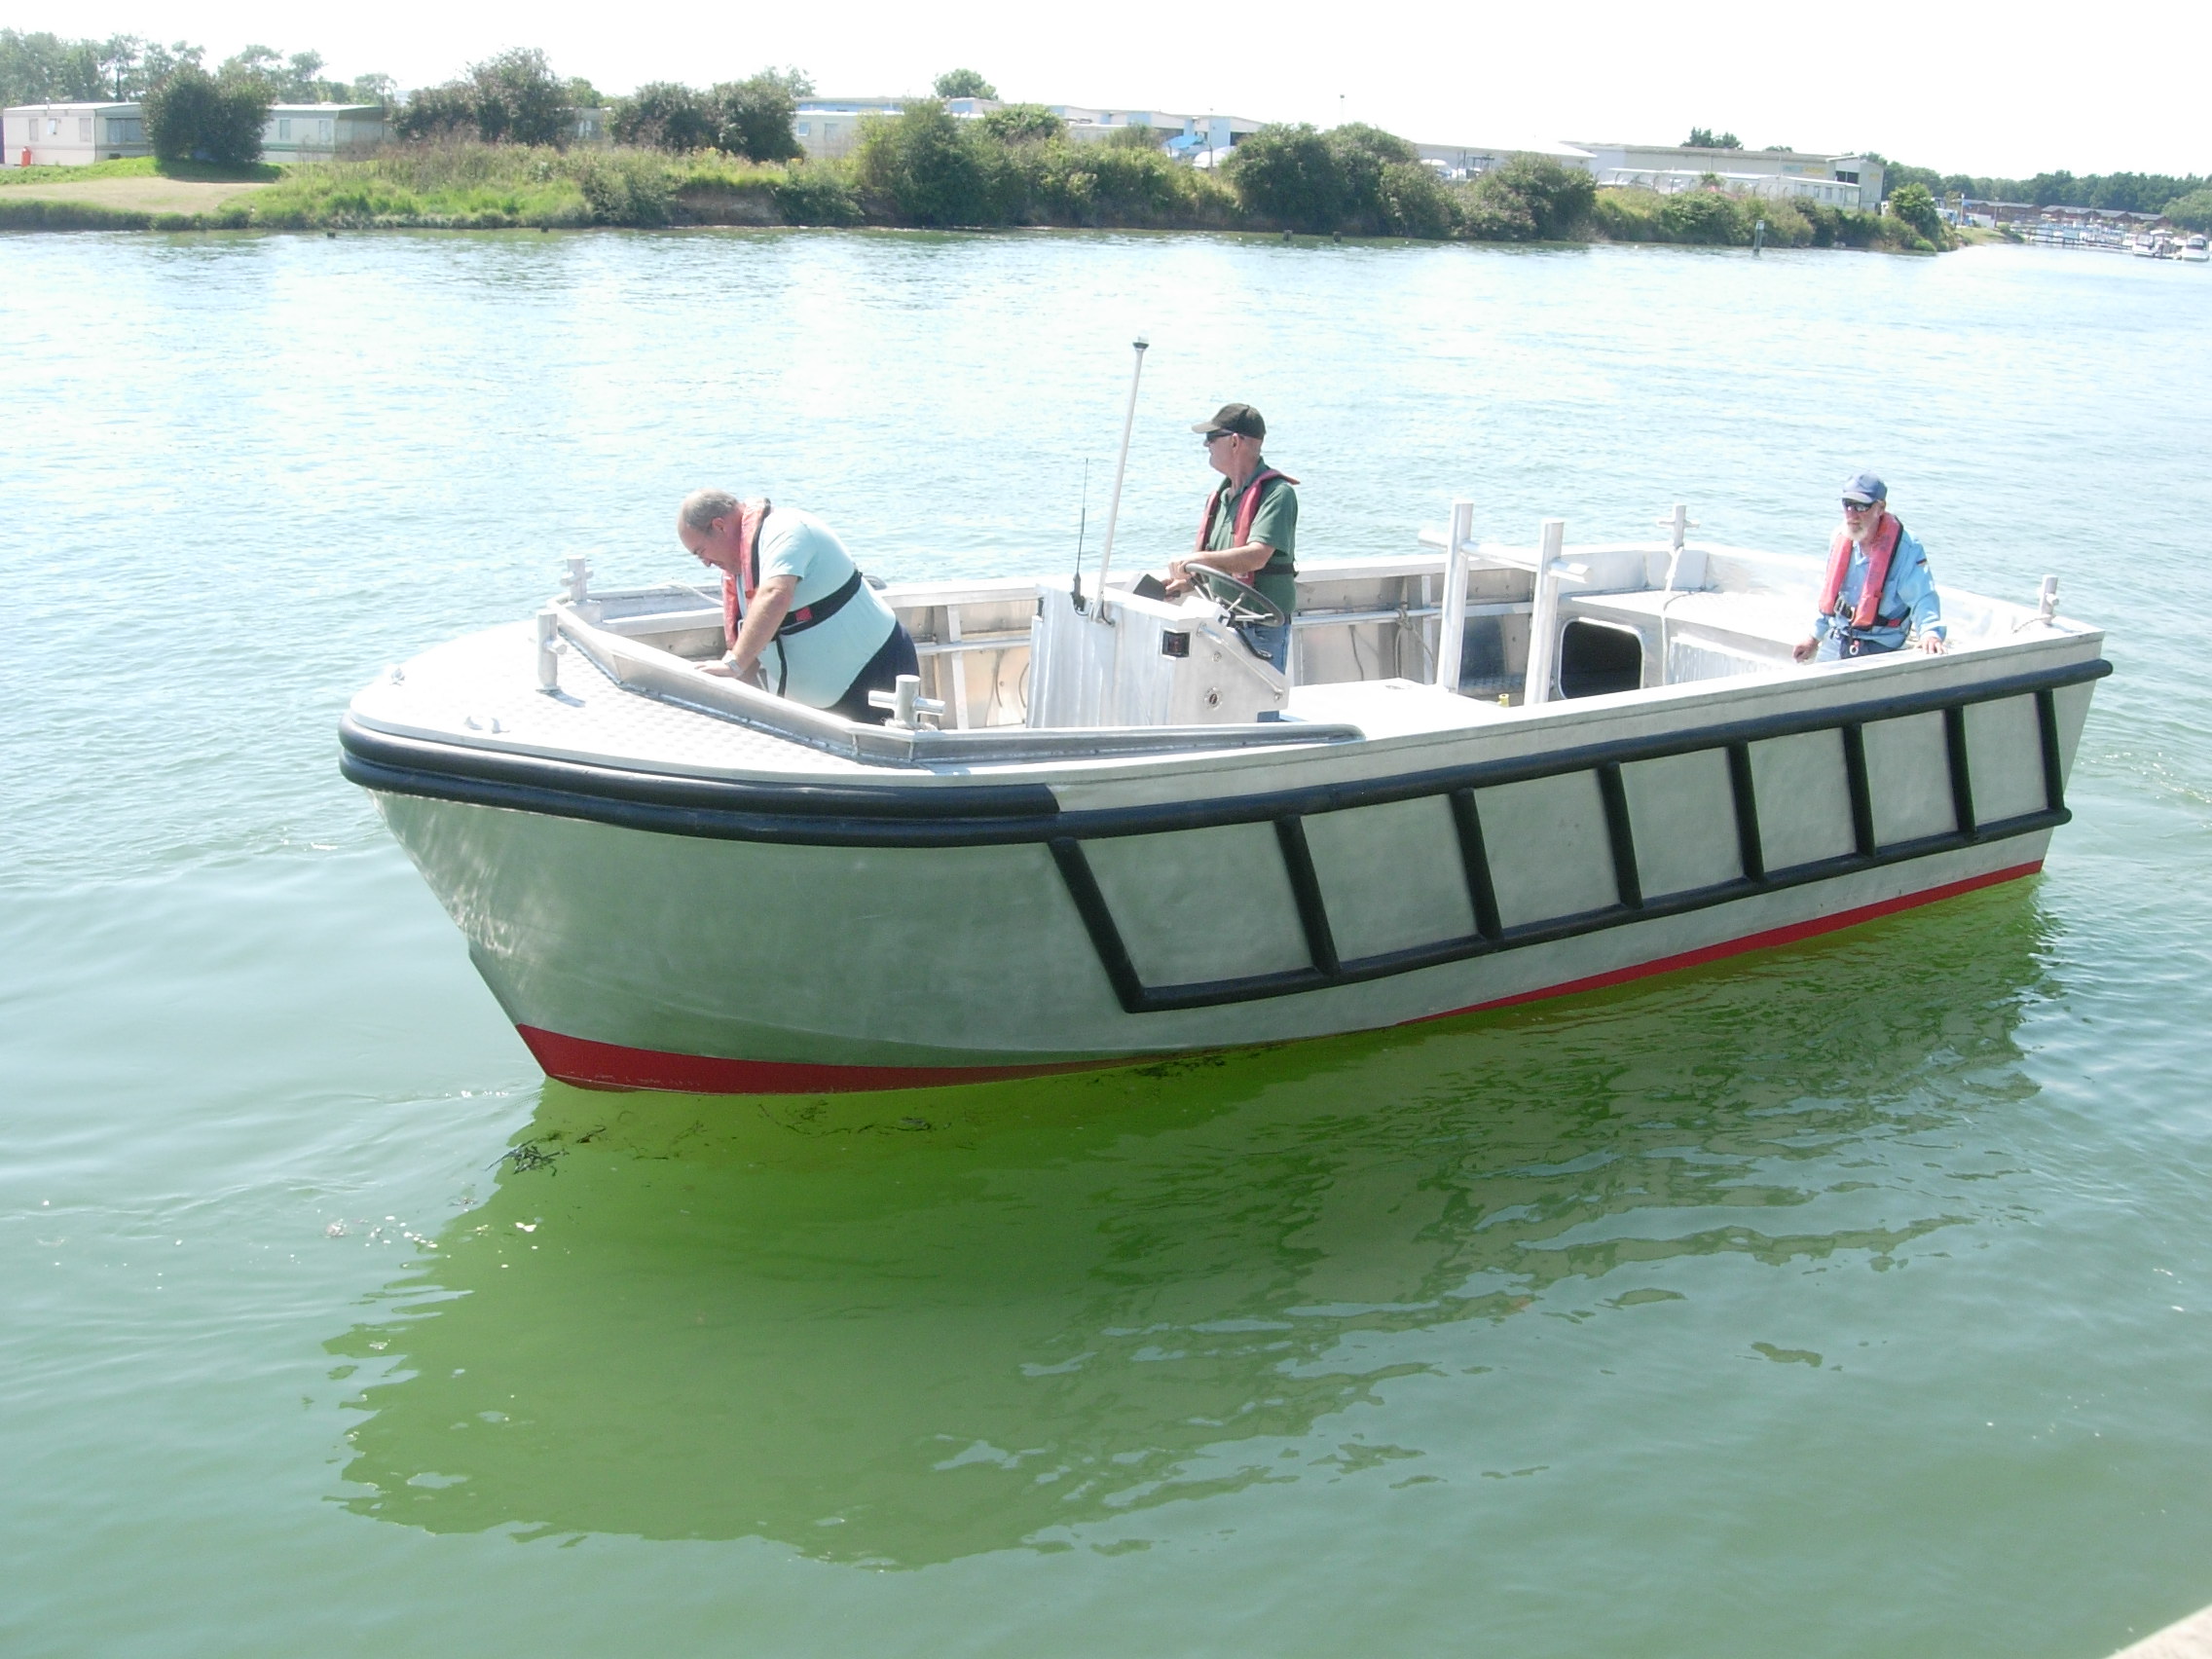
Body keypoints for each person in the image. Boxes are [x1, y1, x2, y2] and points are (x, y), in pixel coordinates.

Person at [676, 489, 920, 722]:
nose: (705, 563)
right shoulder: (740, 570)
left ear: (719, 526)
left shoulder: (786, 529)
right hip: (818, 704)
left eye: (700, 552)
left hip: (873, 670)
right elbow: (754, 637)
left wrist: (732, 664)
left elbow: (775, 595)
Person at [1164, 402, 1299, 674]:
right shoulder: (1219, 499)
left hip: (1261, 627)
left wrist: (1199, 558)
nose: (1206, 446)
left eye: (1212, 438)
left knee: (1256, 712)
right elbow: (1213, 566)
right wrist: (1179, 584)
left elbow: (1256, 556)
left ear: (1235, 442)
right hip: (1221, 622)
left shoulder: (1277, 494)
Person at [1792, 472, 1947, 663]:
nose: (1852, 514)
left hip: (1881, 643)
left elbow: (1922, 597)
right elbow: (1829, 596)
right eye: (1847, 505)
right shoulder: (1839, 538)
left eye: (1861, 506)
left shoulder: (1906, 548)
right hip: (1840, 635)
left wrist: (1930, 633)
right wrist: (1814, 637)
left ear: (1880, 507)